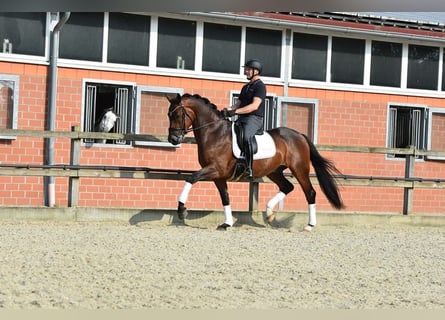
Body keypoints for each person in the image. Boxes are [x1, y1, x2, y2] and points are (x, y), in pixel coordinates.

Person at [220, 59, 266, 178]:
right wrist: (228, 109)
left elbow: (254, 106)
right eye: (246, 69)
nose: (245, 71)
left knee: (246, 136)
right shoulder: (245, 87)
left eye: (248, 69)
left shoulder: (260, 86)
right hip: (242, 118)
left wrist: (235, 112)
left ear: (256, 71)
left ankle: (249, 168)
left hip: (254, 119)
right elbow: (238, 104)